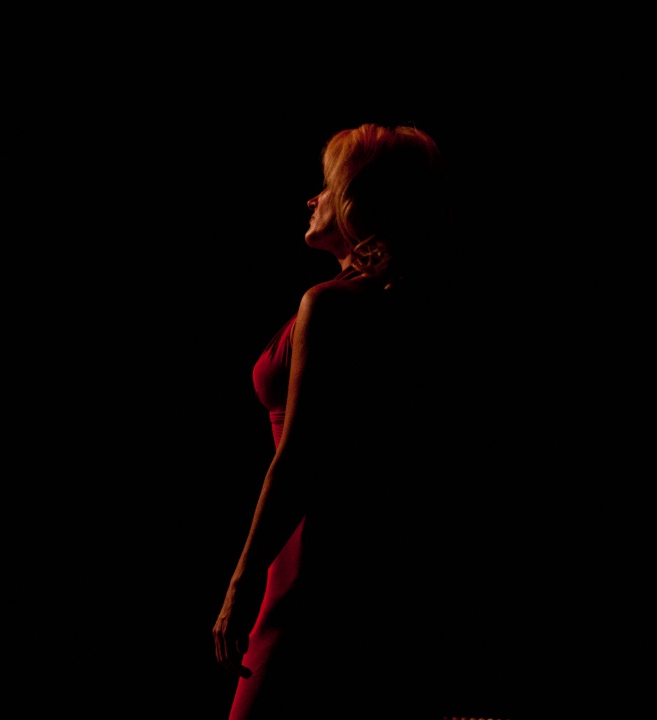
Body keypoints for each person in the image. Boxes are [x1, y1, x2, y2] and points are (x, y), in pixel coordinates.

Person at [212, 123, 457, 719]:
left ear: (356, 198)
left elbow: (299, 457)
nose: (311, 198)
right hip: (364, 553)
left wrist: (241, 582)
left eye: (325, 185)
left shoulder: (331, 304)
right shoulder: (392, 301)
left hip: (309, 557)